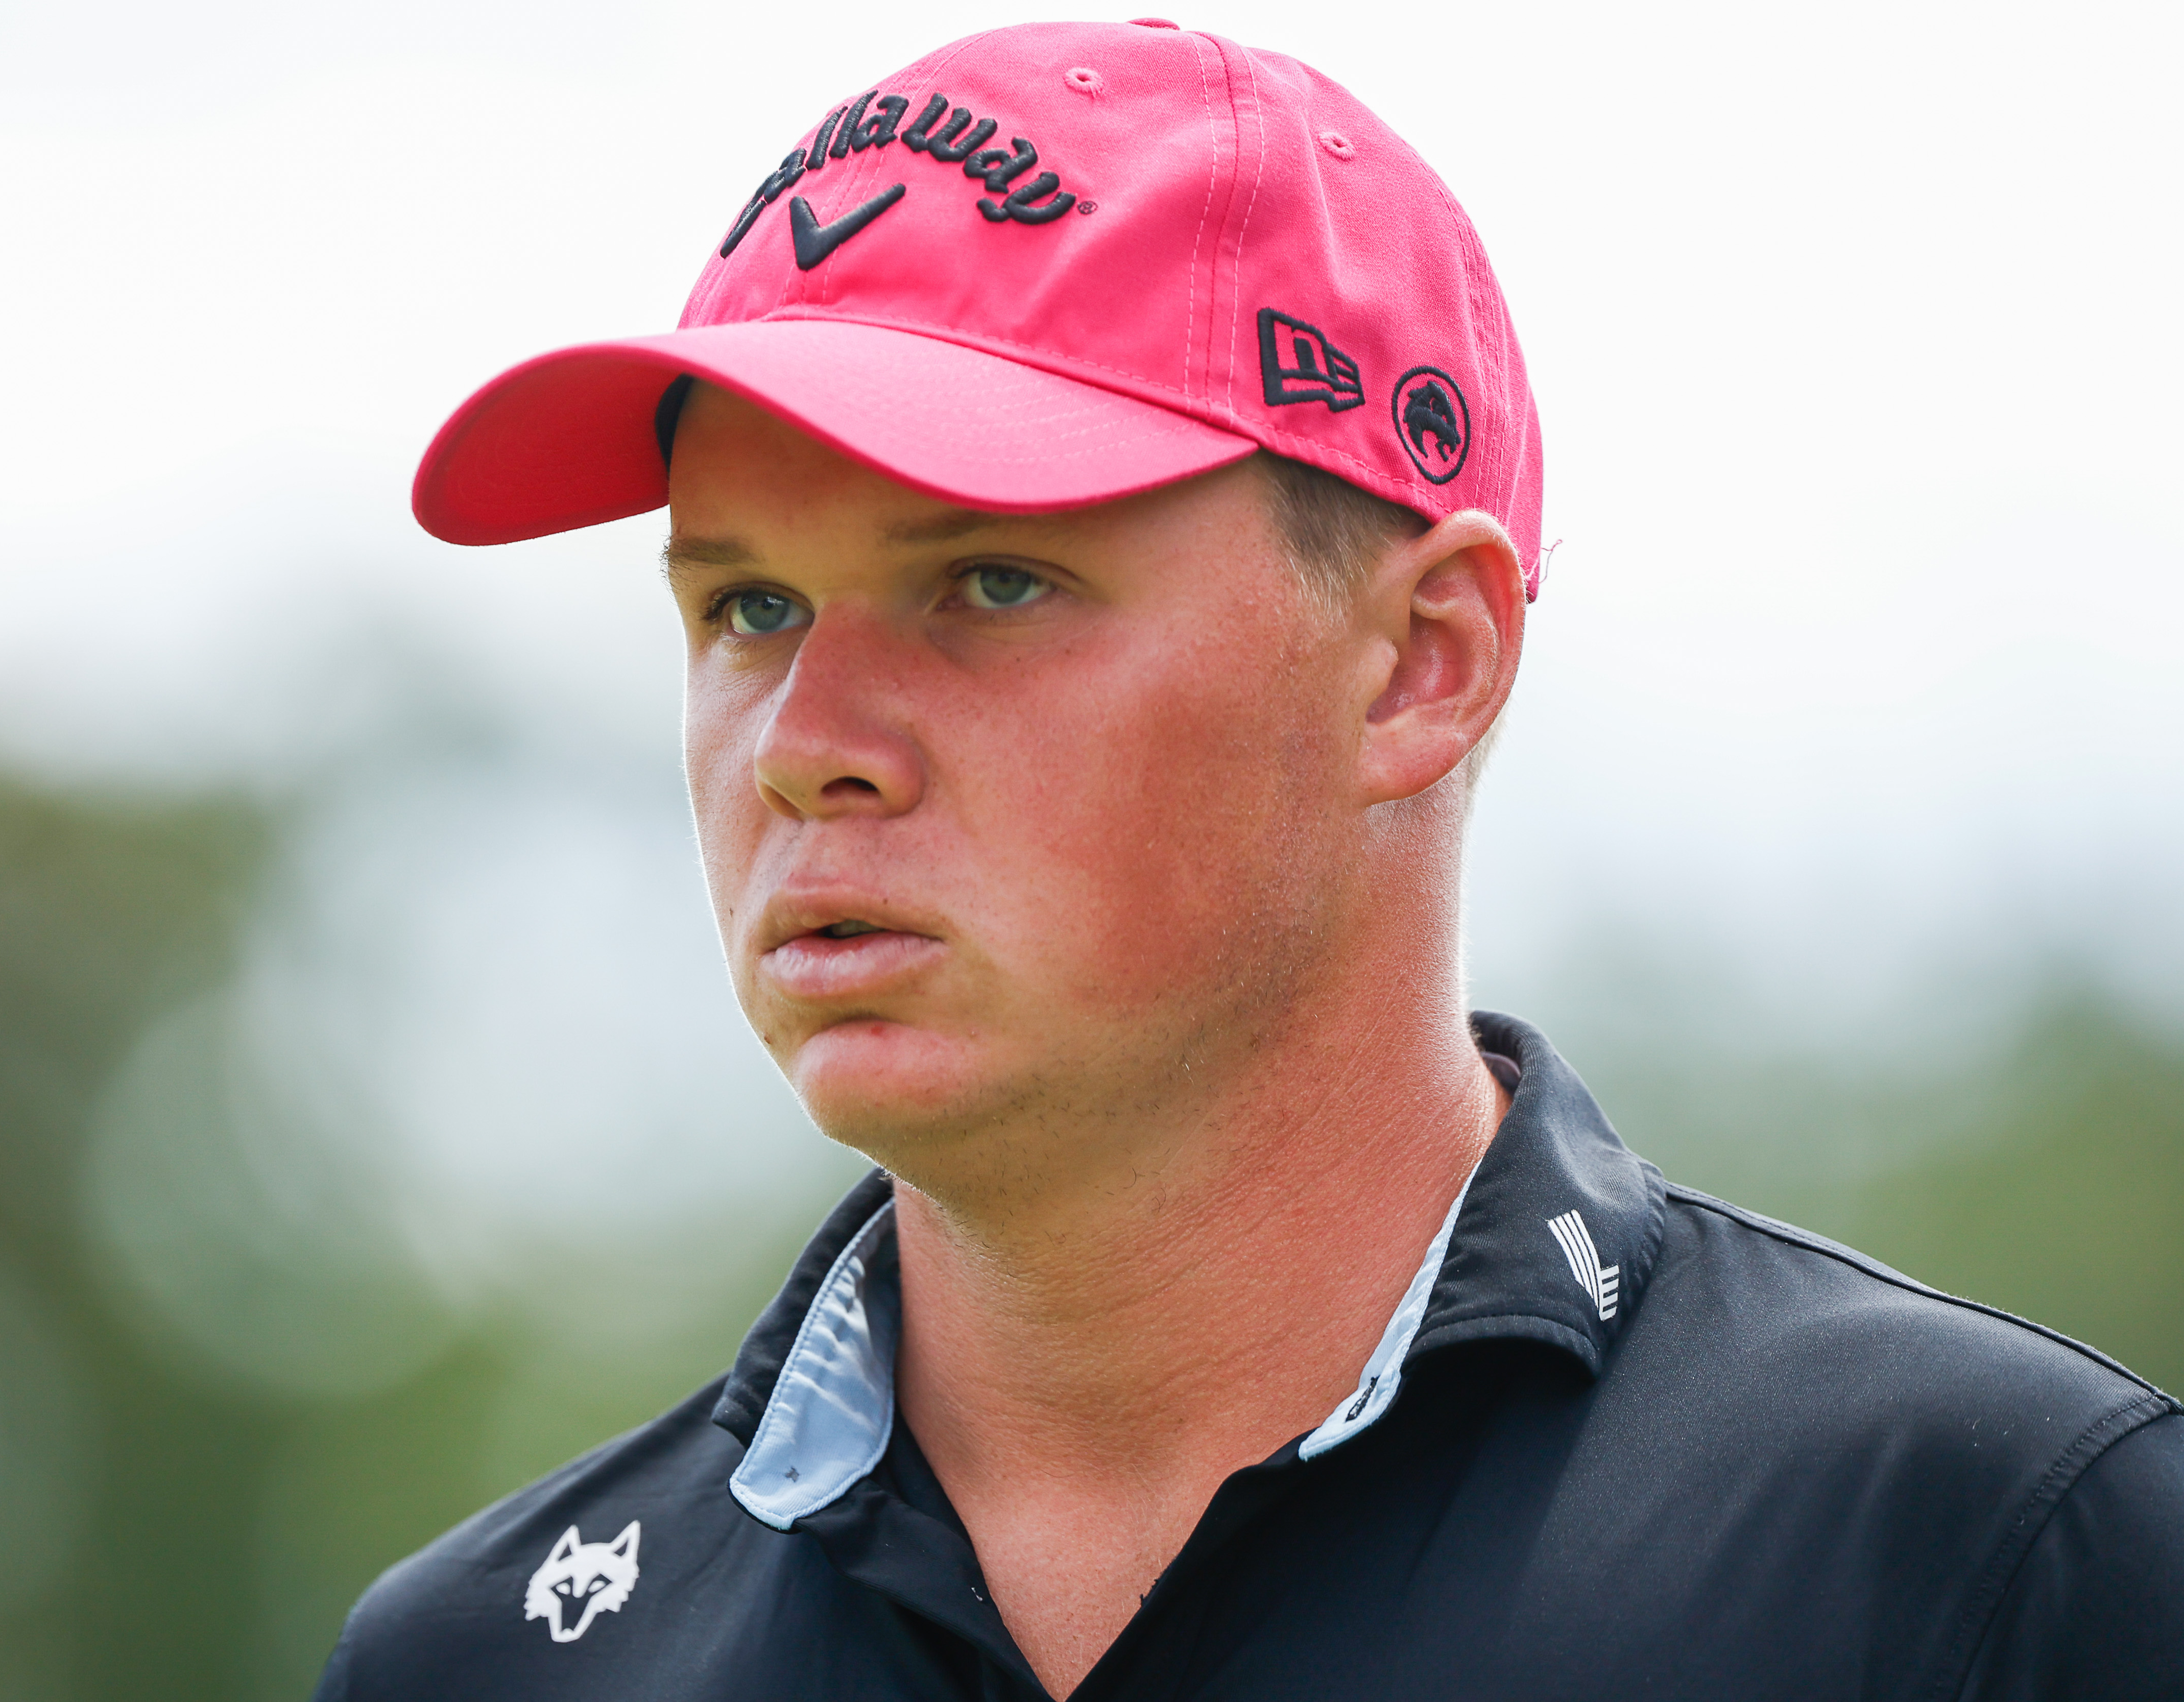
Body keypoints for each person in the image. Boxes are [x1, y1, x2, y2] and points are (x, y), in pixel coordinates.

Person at [315, 20, 2183, 1700]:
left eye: (990, 581)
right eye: (749, 605)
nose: (806, 743)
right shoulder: (482, 1662)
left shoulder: (1986, 1560)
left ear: (1419, 667)